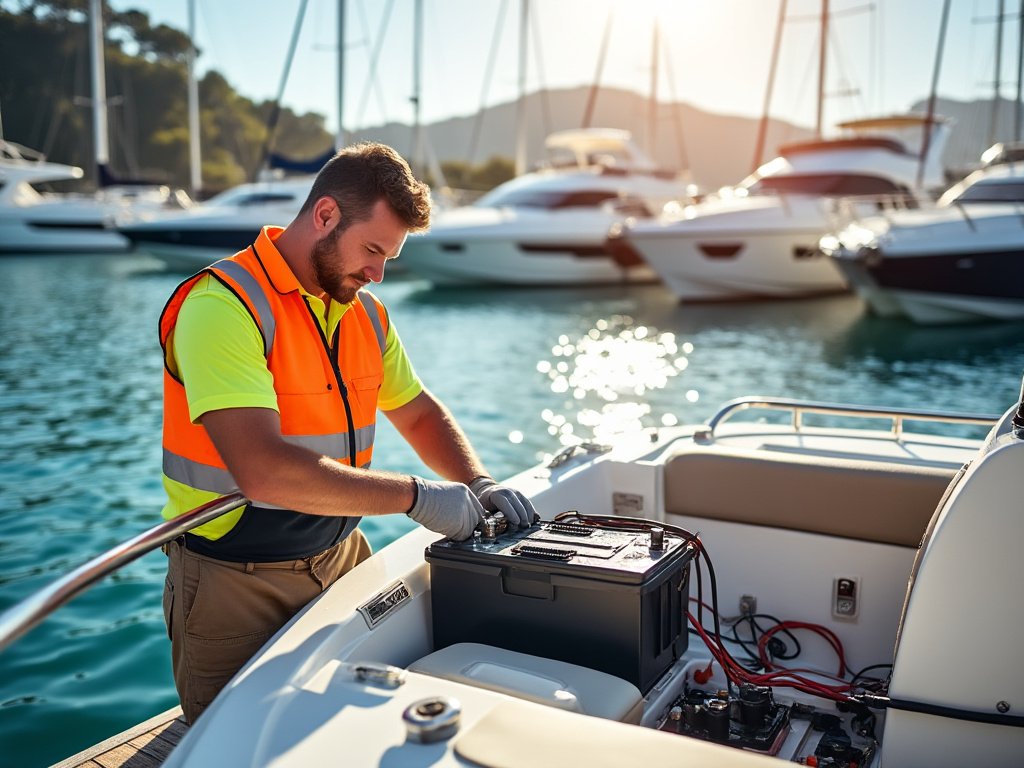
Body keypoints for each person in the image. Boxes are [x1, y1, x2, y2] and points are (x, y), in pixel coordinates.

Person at [158, 142, 536, 724]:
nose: (379, 273)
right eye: (372, 250)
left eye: (389, 257)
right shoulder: (222, 307)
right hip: (235, 582)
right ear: (326, 215)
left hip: (342, 558)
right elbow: (263, 471)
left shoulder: (364, 312)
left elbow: (417, 413)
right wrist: (418, 496)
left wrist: (478, 482)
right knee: (237, 746)